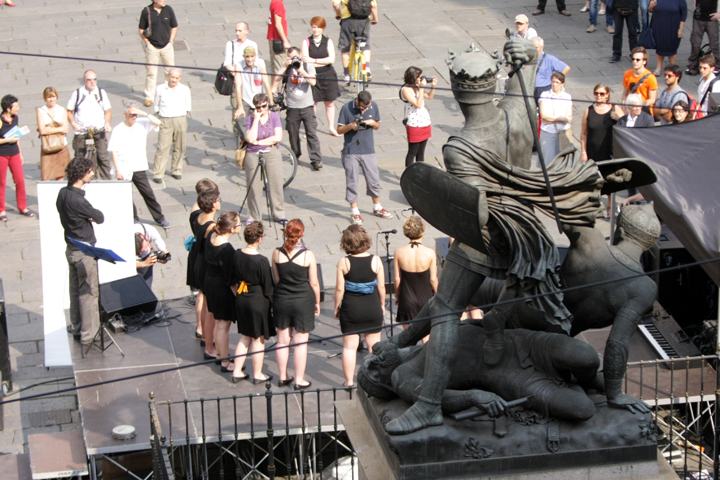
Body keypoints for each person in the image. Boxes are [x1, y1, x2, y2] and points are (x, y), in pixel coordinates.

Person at [57, 157, 104, 345]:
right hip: (84, 253)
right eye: (90, 171)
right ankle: (89, 335)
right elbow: (99, 217)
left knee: (75, 291)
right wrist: (89, 217)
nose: (92, 174)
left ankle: (77, 328)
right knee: (88, 294)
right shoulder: (79, 200)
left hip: (71, 250)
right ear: (82, 173)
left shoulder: (62, 193)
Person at [272, 219, 321, 390]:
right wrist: (317, 301)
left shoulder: (276, 253)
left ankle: (283, 376)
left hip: (282, 300)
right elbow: (314, 283)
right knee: (300, 343)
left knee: (282, 342)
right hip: (303, 301)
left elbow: (277, 279)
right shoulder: (308, 255)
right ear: (302, 233)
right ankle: (299, 380)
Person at [334, 225, 385, 387]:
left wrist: (337, 307)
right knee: (374, 347)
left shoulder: (344, 262)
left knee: (349, 348)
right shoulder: (376, 260)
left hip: (351, 309)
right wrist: (382, 304)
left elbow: (339, 289)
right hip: (372, 307)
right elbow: (381, 287)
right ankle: (374, 381)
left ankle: (349, 382)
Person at [107, 102, 170, 228]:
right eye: (132, 114)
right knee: (126, 196)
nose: (134, 117)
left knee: (148, 193)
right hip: (124, 167)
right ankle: (133, 217)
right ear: (125, 114)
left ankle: (160, 218)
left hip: (138, 167)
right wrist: (117, 170)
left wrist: (144, 113)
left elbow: (158, 122)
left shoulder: (141, 124)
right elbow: (114, 151)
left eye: (136, 114)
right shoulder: (118, 129)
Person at [230, 221, 276, 384]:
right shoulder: (261, 260)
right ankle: (258, 374)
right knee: (258, 339)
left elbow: (232, 279)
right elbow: (268, 288)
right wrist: (274, 305)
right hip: (257, 301)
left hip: (242, 298)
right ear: (259, 239)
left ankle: (237, 371)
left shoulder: (237, 254)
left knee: (245, 337)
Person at [337, 90, 392, 225]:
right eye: (362, 107)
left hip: (368, 149)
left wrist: (373, 123)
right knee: (352, 181)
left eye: (367, 107)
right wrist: (351, 126)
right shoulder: (346, 108)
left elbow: (378, 126)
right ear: (357, 101)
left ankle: (377, 207)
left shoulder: (374, 106)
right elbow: (339, 130)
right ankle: (355, 212)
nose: (364, 110)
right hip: (351, 151)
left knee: (374, 179)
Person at [272, 47, 324, 171]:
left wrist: (301, 70)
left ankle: (316, 159)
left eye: (295, 57)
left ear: (300, 55)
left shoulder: (307, 65)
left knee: (311, 133)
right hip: (292, 107)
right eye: (291, 57)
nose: (293, 60)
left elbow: (313, 82)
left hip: (307, 106)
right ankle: (295, 155)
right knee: (293, 133)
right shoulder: (287, 68)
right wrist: (286, 65)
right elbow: (276, 79)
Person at [204, 211, 241, 373]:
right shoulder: (226, 249)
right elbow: (231, 279)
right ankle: (225, 361)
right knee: (223, 325)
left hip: (210, 283)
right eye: (239, 224)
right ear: (232, 229)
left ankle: (220, 355)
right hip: (221, 288)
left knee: (218, 322)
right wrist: (238, 295)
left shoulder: (212, 236)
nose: (240, 226)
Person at [393, 216, 438, 340]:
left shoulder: (399, 252)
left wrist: (398, 296)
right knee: (426, 339)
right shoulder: (430, 253)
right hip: (426, 299)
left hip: (407, 299)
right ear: (423, 231)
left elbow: (397, 279)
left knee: (408, 338)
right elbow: (433, 279)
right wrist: (438, 294)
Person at [243, 93, 286, 224]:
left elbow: (278, 137)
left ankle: (279, 213)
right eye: (258, 107)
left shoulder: (274, 117)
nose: (261, 109)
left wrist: (259, 142)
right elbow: (249, 138)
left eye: (264, 106)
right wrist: (256, 120)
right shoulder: (251, 119)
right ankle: (254, 216)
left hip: (271, 152)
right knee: (253, 186)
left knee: (276, 183)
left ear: (267, 104)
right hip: (253, 154)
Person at [580, 83, 621, 216]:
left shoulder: (614, 108)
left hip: (609, 150)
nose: (599, 96)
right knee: (593, 179)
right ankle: (594, 205)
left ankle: (610, 204)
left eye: (602, 93)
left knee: (609, 179)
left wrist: (618, 118)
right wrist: (583, 151)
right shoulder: (589, 110)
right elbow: (584, 133)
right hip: (592, 150)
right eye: (596, 93)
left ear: (607, 95)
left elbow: (625, 125)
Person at [186, 179, 218, 342]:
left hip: (197, 254)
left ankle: (200, 327)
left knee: (201, 294)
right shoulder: (208, 221)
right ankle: (205, 331)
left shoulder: (196, 211)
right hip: (205, 256)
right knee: (205, 297)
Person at [66, 70, 112, 180]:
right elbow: (69, 111)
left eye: (94, 79)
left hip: (98, 129)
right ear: (84, 80)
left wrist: (107, 124)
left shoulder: (101, 93)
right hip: (82, 130)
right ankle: (78, 180)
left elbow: (107, 111)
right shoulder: (77, 93)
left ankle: (108, 181)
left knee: (103, 157)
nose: (92, 82)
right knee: (79, 158)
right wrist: (73, 124)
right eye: (89, 80)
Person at [302, 16, 342, 137]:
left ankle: (331, 127)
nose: (316, 30)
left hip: (328, 74)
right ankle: (311, 128)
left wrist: (314, 60)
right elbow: (305, 58)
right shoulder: (306, 41)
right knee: (313, 103)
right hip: (313, 75)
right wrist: (320, 61)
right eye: (314, 27)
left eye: (318, 27)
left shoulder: (328, 41)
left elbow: (331, 59)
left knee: (329, 102)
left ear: (323, 28)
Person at [193, 189, 221, 360]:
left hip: (198, 261)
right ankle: (209, 346)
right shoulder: (211, 225)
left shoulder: (199, 217)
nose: (220, 201)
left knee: (204, 301)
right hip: (206, 265)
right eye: (218, 200)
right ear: (213, 204)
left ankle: (205, 336)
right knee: (210, 309)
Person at [152, 68, 191, 182]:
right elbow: (156, 104)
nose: (174, 80)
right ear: (168, 76)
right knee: (162, 147)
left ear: (180, 78)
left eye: (177, 78)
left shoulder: (184, 89)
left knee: (180, 146)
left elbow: (188, 105)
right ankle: (158, 173)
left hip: (180, 119)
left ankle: (176, 170)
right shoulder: (160, 88)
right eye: (172, 77)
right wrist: (160, 114)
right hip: (166, 119)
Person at [138, 0, 178, 107]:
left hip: (167, 46)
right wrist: (147, 42)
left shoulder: (168, 10)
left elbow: (174, 26)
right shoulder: (147, 11)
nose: (164, 0)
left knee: (170, 72)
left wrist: (171, 41)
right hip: (152, 47)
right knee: (151, 73)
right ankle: (149, 97)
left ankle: (169, 94)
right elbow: (141, 29)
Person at [0, 95, 32, 222]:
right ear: (8, 109)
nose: (18, 108)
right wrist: (8, 140)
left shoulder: (15, 118)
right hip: (2, 154)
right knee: (1, 182)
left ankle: (22, 207)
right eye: (16, 106)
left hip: (14, 153)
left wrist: (20, 153)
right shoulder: (0, 121)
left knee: (20, 181)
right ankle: (1, 209)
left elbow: (16, 135)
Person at [232, 47, 273, 145]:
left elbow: (266, 83)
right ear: (243, 57)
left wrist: (271, 101)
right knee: (240, 118)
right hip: (246, 98)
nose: (249, 59)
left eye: (252, 56)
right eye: (247, 57)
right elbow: (238, 86)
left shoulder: (261, 63)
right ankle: (247, 140)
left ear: (255, 56)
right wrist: (240, 107)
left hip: (259, 98)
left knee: (266, 119)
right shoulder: (239, 65)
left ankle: (262, 139)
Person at [333, 0, 379, 82]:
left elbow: (335, 4)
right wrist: (375, 19)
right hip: (364, 20)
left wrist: (338, 14)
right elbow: (374, 6)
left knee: (345, 47)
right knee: (365, 45)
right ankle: (367, 68)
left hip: (347, 21)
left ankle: (346, 74)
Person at [401, 67, 437, 167]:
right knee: (412, 152)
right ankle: (409, 174)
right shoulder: (405, 90)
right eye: (419, 77)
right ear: (413, 77)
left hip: (425, 122)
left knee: (421, 152)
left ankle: (420, 173)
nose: (421, 79)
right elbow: (418, 104)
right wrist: (421, 88)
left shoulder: (417, 87)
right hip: (414, 124)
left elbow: (430, 96)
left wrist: (433, 86)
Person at [36, 87, 71, 181]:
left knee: (60, 175)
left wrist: (49, 129)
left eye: (53, 97)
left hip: (61, 146)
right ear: (45, 98)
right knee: (45, 176)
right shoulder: (41, 111)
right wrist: (59, 129)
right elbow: (42, 131)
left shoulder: (62, 110)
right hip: (47, 147)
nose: (51, 99)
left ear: (56, 97)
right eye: (49, 97)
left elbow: (66, 129)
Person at [539, 72, 573, 164]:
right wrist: (562, 119)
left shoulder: (567, 96)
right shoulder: (545, 95)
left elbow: (569, 118)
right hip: (548, 132)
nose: (554, 84)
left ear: (562, 84)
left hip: (563, 132)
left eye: (557, 82)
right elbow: (544, 115)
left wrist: (549, 119)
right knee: (548, 161)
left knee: (564, 161)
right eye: (553, 82)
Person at [649, 0, 687, 75]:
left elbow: (684, 14)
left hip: (673, 27)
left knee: (672, 47)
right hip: (658, 26)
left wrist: (681, 29)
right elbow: (650, 10)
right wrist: (651, 6)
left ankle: (673, 68)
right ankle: (658, 67)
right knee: (659, 46)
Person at [685, 0, 720, 75]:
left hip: (711, 19)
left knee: (714, 44)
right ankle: (692, 64)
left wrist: (719, 13)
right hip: (698, 19)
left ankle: (717, 65)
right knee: (695, 43)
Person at [532, 37, 571, 102]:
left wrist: (556, 80)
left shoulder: (549, 58)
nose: (533, 50)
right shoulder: (527, 59)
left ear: (542, 47)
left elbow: (566, 68)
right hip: (530, 89)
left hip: (544, 89)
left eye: (536, 47)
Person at [621, 47, 658, 115]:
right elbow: (625, 94)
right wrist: (624, 108)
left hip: (645, 112)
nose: (634, 61)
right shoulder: (627, 74)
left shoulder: (651, 78)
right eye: (633, 59)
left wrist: (637, 106)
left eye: (638, 60)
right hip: (631, 112)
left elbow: (652, 100)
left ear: (644, 61)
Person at [134, 221, 170, 289]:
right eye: (138, 252)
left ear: (143, 237)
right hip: (131, 262)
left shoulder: (149, 230)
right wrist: (144, 264)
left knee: (147, 287)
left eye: (144, 247)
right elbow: (123, 266)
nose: (145, 250)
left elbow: (163, 248)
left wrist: (165, 257)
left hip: (147, 258)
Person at [267, 0, 291, 75]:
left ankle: (274, 83)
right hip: (278, 39)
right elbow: (278, 24)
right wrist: (285, 40)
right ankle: (278, 83)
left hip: (273, 38)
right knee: (281, 67)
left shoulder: (274, 1)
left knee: (274, 67)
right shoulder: (278, 3)